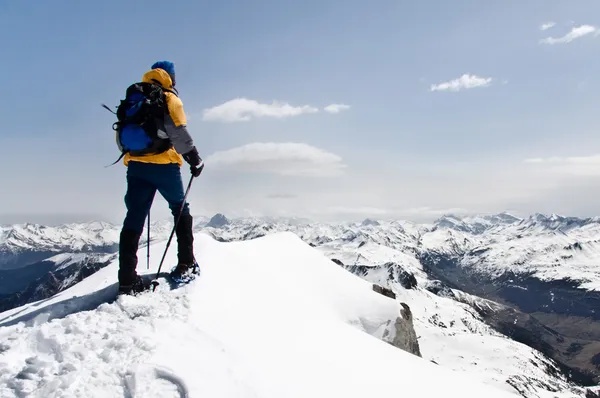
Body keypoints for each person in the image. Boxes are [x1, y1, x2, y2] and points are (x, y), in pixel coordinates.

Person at [117, 60, 203, 295]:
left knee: (133, 217)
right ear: (171, 78)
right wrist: (195, 160)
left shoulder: (133, 99)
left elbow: (121, 136)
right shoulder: (168, 99)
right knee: (180, 209)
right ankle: (186, 264)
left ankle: (126, 279)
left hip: (135, 166)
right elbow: (179, 133)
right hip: (164, 165)